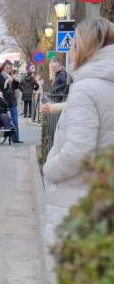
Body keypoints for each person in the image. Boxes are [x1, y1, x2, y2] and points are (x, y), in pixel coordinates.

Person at [42, 18, 114, 240]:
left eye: (74, 44)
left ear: (83, 47)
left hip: (77, 201)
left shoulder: (85, 89)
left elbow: (78, 152)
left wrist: (50, 169)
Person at [0, 59, 22, 143]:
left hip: (12, 101)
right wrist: (5, 84)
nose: (8, 70)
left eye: (10, 68)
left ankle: (15, 138)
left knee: (15, 120)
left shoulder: (12, 76)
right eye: (7, 68)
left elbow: (17, 87)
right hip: (2, 101)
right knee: (1, 119)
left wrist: (14, 80)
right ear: (3, 68)